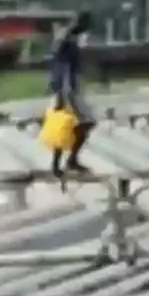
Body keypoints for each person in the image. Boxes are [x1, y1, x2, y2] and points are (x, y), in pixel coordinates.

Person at [48, 11, 94, 179]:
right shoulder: (67, 41)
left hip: (66, 87)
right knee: (73, 124)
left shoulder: (68, 39)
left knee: (71, 125)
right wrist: (64, 93)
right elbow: (64, 67)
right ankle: (65, 162)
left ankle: (67, 161)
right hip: (67, 89)